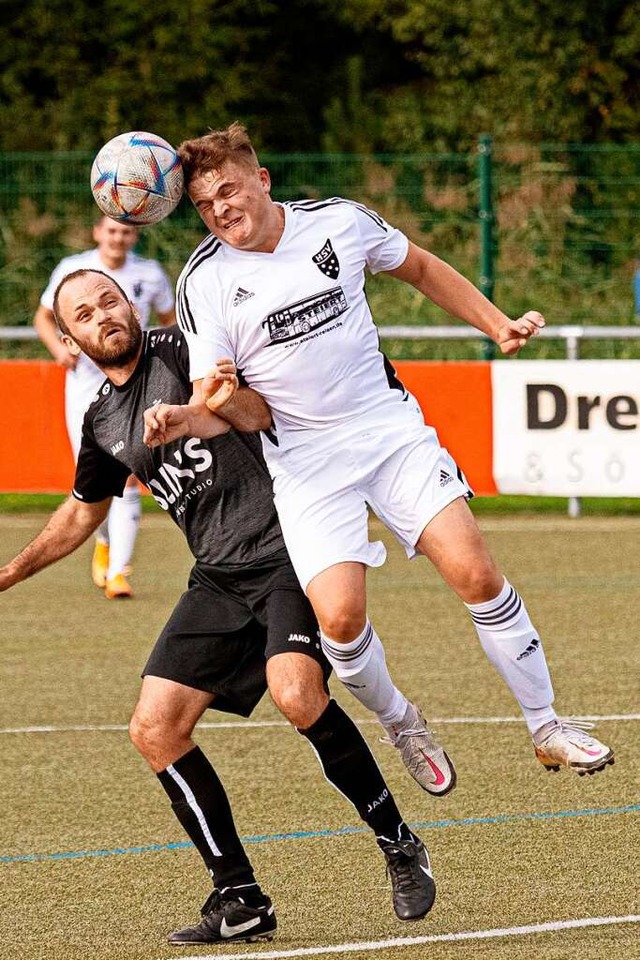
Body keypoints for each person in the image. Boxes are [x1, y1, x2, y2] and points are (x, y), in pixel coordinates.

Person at [156, 122, 614, 787]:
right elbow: (241, 411)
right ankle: (402, 721)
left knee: (477, 574)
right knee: (340, 625)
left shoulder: (339, 222)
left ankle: (547, 726)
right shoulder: (204, 282)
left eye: (228, 190)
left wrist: (497, 325)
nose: (221, 210)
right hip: (307, 464)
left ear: (262, 180)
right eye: (204, 204)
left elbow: (421, 266)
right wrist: (195, 413)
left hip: (388, 433)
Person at [0, 268, 436, 944]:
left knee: (296, 695)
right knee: (155, 728)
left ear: (133, 303)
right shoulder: (103, 420)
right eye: (84, 313)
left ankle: (398, 840)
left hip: (292, 548)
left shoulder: (185, 352)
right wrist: (9, 572)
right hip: (219, 577)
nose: (103, 316)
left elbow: (251, 394)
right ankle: (240, 897)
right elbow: (80, 516)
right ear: (69, 336)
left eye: (110, 300)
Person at [33, 215, 176, 599]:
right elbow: (43, 317)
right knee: (94, 481)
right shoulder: (73, 270)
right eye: (111, 230)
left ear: (134, 236)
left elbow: (170, 321)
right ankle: (104, 543)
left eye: (126, 231)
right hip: (83, 388)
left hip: (133, 385)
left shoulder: (150, 273)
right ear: (98, 232)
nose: (118, 237)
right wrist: (59, 349)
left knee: (129, 471)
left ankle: (118, 572)